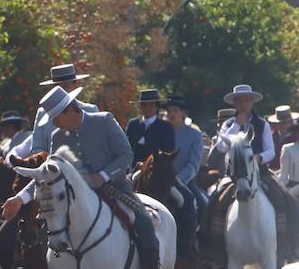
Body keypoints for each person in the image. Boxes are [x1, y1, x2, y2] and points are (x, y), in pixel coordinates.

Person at [1, 86, 168, 269]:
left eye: (56, 118)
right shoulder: (57, 136)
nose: (54, 124)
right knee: (49, 225)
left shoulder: (104, 121)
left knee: (142, 220)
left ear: (69, 111)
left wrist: (104, 176)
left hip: (115, 186)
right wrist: (20, 198)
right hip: (75, 194)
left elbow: (126, 155)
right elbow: (50, 175)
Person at [206, 84, 299, 260]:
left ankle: (287, 244)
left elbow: (270, 151)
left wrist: (258, 158)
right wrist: (236, 126)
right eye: (240, 101)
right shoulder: (228, 124)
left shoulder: (261, 124)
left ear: (251, 103)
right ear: (234, 103)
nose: (243, 104)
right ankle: (212, 248)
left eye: (246, 100)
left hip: (259, 173)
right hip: (233, 175)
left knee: (285, 198)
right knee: (214, 202)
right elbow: (221, 147)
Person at [165, 94, 206, 231]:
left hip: (185, 182)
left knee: (203, 205)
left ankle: (198, 241)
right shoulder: (161, 131)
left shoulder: (194, 135)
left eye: (175, 110)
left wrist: (177, 180)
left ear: (183, 112)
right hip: (160, 181)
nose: (171, 114)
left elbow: (193, 165)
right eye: (169, 111)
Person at [125, 89, 175, 167]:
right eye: (144, 105)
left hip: (156, 169)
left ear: (157, 106)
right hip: (131, 168)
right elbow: (126, 147)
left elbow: (168, 152)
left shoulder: (166, 127)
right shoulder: (133, 124)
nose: (147, 108)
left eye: (151, 105)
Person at [269, 105, 295, 172]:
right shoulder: (271, 137)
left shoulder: (296, 139)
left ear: (292, 122)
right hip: (271, 173)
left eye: (288, 122)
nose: (285, 125)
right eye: (281, 123)